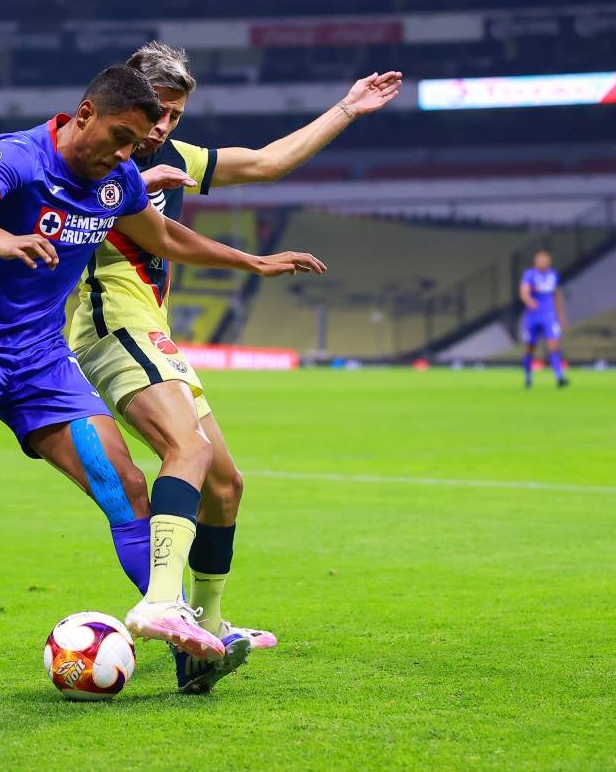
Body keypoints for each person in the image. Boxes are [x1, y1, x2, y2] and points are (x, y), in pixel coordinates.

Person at [0, 64, 326, 699]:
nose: (127, 156)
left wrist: (251, 261)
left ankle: (182, 634)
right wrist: (1, 239)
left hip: (41, 361)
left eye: (137, 145)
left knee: (126, 488)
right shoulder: (19, 155)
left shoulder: (118, 177)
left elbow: (165, 236)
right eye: (120, 137)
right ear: (84, 114)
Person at [68, 42, 402, 692]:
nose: (163, 127)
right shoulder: (91, 153)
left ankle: (206, 638)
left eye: (174, 117)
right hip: (111, 328)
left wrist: (347, 109)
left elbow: (267, 162)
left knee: (226, 484)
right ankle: (163, 599)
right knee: (185, 447)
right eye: (156, 112)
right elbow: (118, 224)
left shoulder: (172, 157)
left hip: (153, 335)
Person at [520, 250, 569, 388]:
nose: (542, 261)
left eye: (544, 259)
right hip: (532, 316)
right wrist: (529, 300)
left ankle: (559, 378)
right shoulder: (529, 274)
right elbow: (524, 292)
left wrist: (560, 315)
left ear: (549, 261)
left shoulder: (554, 275)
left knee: (553, 346)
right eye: (539, 259)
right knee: (530, 348)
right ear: (535, 261)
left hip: (549, 316)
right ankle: (528, 378)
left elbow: (557, 295)